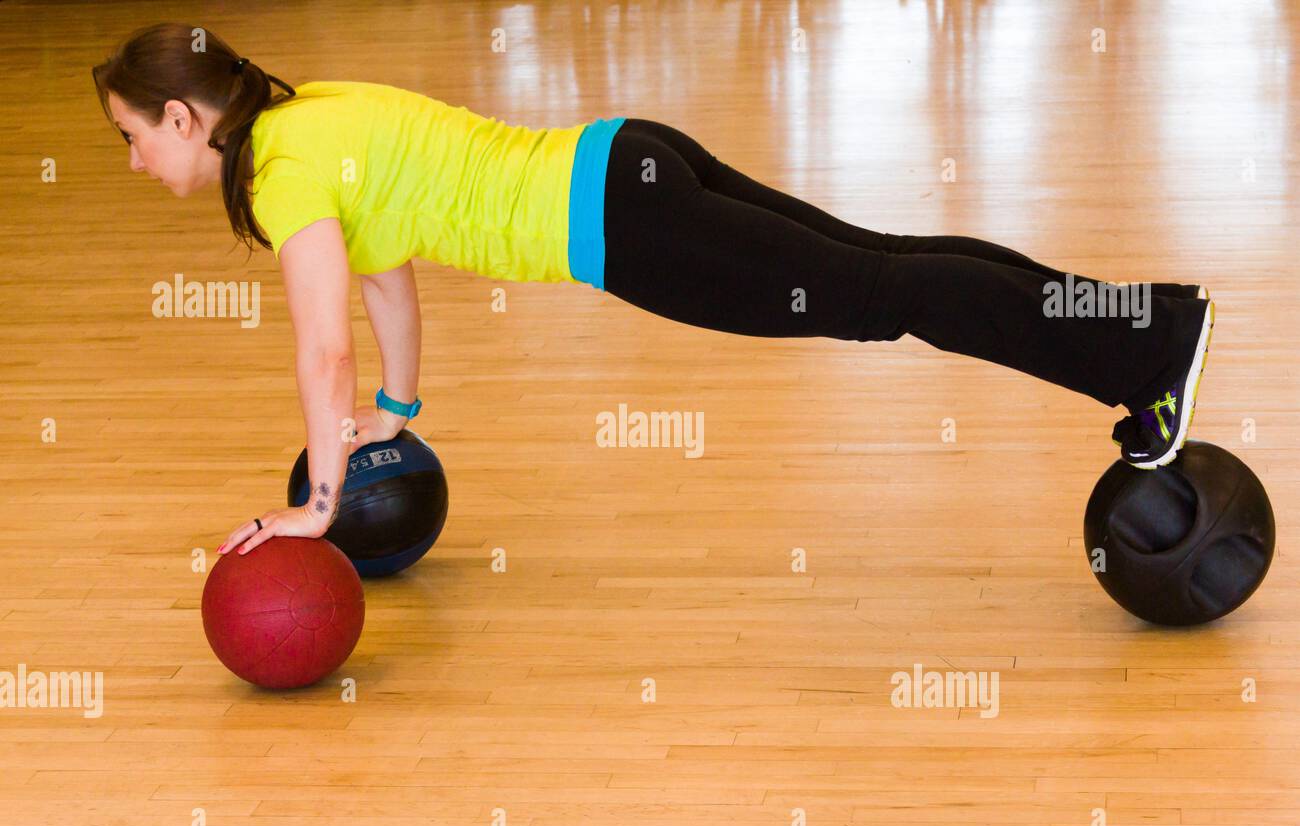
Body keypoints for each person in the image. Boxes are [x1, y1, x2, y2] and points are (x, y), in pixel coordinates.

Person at [93, 23, 1215, 558]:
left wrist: (318, 504)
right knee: (885, 259)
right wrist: (401, 412)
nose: (138, 166)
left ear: (185, 119)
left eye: (134, 140)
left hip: (622, 223)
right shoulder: (308, 119)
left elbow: (317, 349)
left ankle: (1142, 352)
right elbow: (385, 283)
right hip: (628, 155)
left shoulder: (282, 174)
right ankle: (1142, 325)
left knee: (882, 292)